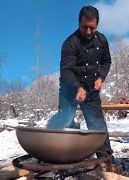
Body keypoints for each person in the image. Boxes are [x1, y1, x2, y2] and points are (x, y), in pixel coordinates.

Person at [46, 6, 113, 158]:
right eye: (84, 27)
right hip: (69, 87)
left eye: (92, 28)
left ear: (97, 25)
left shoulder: (102, 40)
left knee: (97, 125)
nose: (88, 31)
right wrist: (77, 87)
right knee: (66, 120)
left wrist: (101, 77)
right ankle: (68, 156)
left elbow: (106, 61)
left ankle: (106, 160)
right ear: (78, 23)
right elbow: (66, 70)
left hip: (91, 88)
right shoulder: (70, 43)